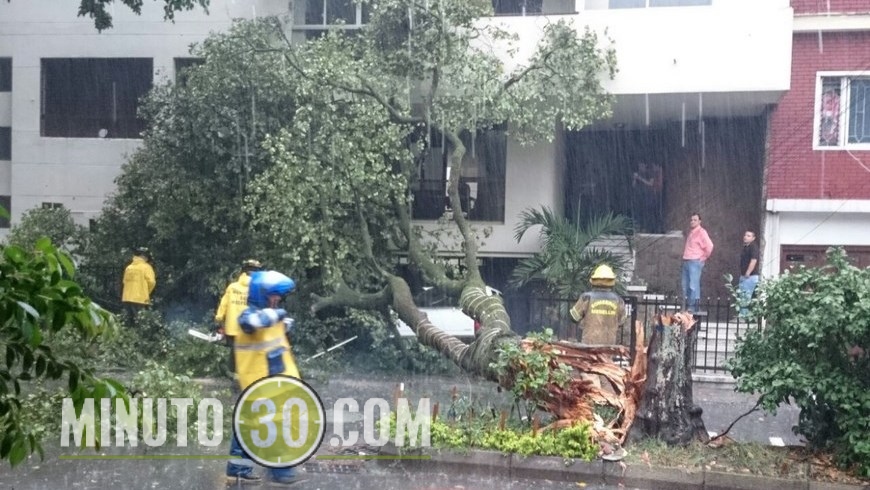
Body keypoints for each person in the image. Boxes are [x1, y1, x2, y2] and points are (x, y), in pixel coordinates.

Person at [226, 270, 302, 485]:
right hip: (260, 384)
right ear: (261, 294)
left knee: (248, 426)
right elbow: (252, 323)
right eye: (273, 295)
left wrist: (282, 321)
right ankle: (281, 470)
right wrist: (277, 316)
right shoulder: (248, 316)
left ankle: (238, 469)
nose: (277, 300)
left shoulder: (272, 316)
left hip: (272, 384)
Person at [214, 259, 263, 374]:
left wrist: (218, 319)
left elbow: (223, 305)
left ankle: (234, 374)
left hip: (233, 328)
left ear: (242, 272)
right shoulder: (258, 289)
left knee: (235, 351)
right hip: (250, 328)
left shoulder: (232, 287)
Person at [568, 264, 627, 345]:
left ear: (593, 280)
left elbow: (574, 317)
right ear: (612, 281)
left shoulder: (586, 298)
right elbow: (621, 321)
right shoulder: (618, 300)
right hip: (609, 346)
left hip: (588, 345)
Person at [682, 213, 714, 313]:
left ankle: (693, 307)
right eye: (691, 220)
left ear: (700, 221)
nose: (692, 221)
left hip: (695, 261)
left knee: (693, 285)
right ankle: (687, 306)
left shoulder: (701, 232)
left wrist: (704, 257)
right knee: (685, 286)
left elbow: (710, 246)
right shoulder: (692, 232)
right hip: (687, 260)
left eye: (695, 220)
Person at [121, 247, 156, 327]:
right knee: (140, 321)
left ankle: (129, 336)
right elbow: (152, 282)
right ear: (144, 256)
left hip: (127, 298)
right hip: (140, 298)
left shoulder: (129, 268)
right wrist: (147, 292)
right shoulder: (146, 267)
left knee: (130, 321)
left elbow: (124, 282)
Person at [633, 162, 664, 233]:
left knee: (652, 213)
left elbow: (650, 184)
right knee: (640, 213)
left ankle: (653, 229)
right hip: (641, 197)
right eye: (640, 166)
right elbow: (634, 186)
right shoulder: (638, 174)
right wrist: (635, 179)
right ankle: (640, 228)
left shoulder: (649, 174)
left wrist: (640, 178)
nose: (641, 167)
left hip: (650, 197)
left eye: (642, 165)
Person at [737, 230, 760, 318]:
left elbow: (754, 260)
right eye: (745, 235)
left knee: (745, 297)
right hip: (744, 276)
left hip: (750, 276)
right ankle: (743, 314)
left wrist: (748, 273)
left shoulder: (753, 247)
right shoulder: (746, 247)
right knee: (742, 296)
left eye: (749, 235)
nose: (745, 237)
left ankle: (744, 316)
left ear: (753, 238)